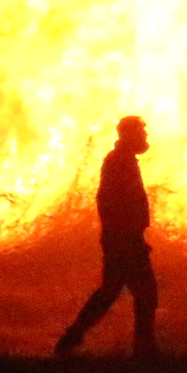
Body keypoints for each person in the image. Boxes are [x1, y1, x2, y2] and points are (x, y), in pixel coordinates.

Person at [55, 115, 160, 357]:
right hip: (124, 240)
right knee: (144, 293)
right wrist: (126, 235)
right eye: (141, 133)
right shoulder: (118, 162)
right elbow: (107, 201)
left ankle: (71, 338)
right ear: (128, 134)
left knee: (112, 291)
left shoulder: (123, 160)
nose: (145, 137)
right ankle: (144, 349)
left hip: (123, 238)